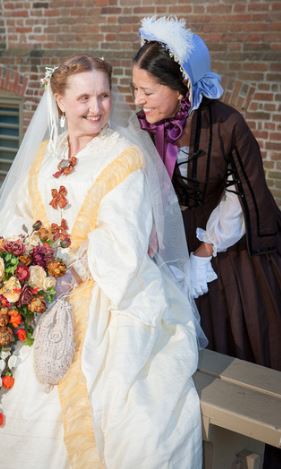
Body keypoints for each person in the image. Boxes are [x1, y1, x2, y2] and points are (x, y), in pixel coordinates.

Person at [0, 55, 202, 468]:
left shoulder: (124, 158)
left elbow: (123, 242)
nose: (96, 108)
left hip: (101, 283)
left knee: (62, 387)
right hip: (34, 273)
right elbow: (18, 217)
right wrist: (11, 264)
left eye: (103, 96)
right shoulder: (45, 153)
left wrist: (62, 275)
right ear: (59, 100)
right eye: (83, 98)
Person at [132, 17, 281, 469]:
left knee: (232, 349)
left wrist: (204, 251)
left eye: (147, 91)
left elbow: (241, 193)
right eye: (135, 89)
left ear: (181, 87)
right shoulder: (143, 126)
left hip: (222, 255)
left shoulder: (226, 123)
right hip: (165, 244)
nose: (137, 101)